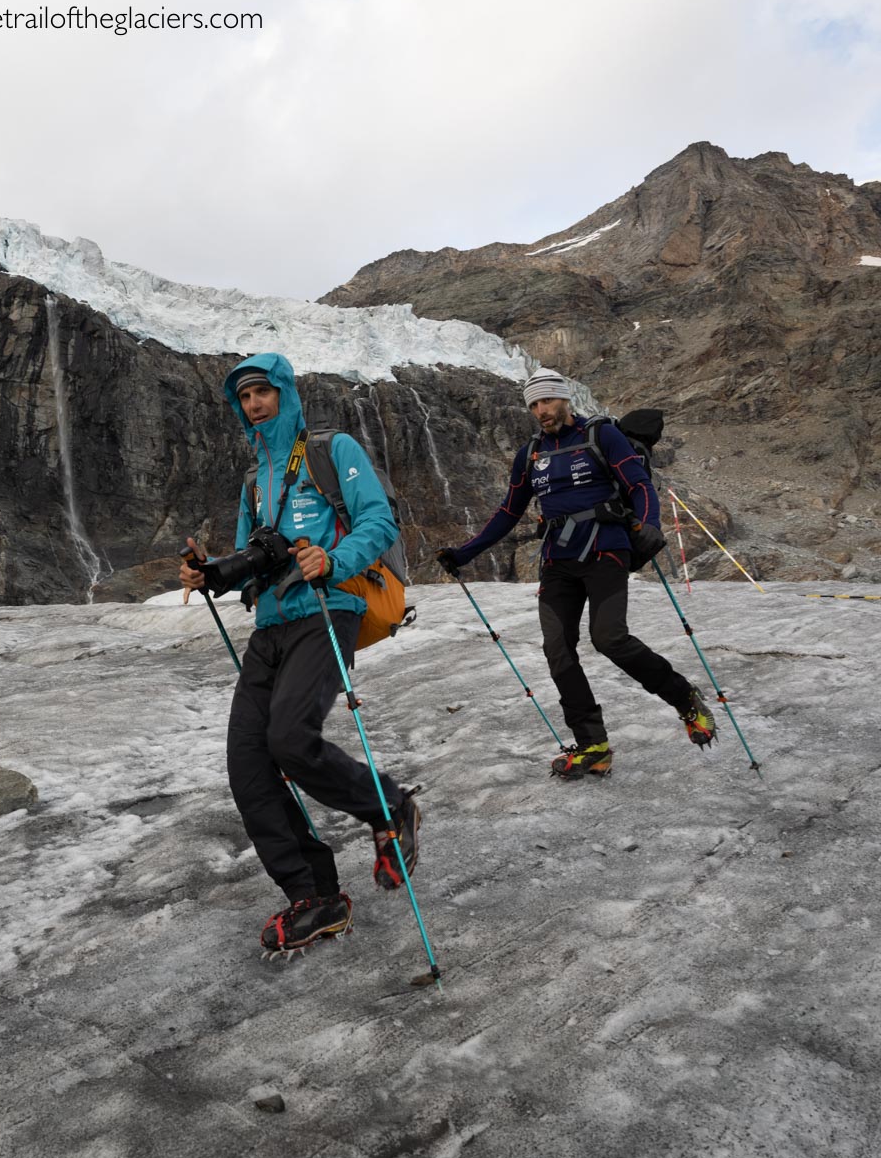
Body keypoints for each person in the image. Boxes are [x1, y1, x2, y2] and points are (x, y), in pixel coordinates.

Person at [180, 353, 420, 957]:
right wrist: (211, 574)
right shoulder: (252, 479)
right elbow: (248, 558)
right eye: (245, 397)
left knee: (290, 737)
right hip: (271, 627)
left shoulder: (331, 450)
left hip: (327, 609)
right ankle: (315, 895)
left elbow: (378, 521)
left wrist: (332, 560)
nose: (255, 404)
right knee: (248, 766)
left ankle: (389, 806)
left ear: (284, 393)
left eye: (263, 391)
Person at [437, 368, 715, 778]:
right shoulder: (530, 454)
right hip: (558, 561)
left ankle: (685, 698)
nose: (540, 411)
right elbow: (508, 512)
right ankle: (593, 746)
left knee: (609, 639)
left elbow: (638, 485)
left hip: (606, 550)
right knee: (558, 651)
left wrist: (649, 524)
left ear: (563, 399)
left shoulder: (601, 436)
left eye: (546, 401)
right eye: (533, 405)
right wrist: (464, 553)